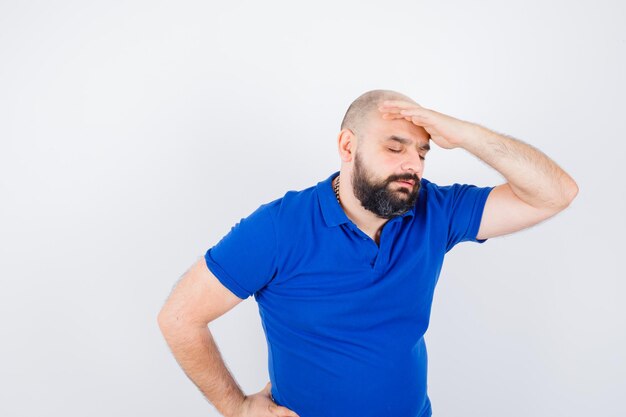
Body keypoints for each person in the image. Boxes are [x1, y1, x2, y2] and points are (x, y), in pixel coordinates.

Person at [157, 89, 578, 417]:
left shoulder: (434, 209)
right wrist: (236, 406)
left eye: (421, 152)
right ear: (347, 146)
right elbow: (180, 317)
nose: (412, 164)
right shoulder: (278, 228)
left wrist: (468, 135)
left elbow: (554, 194)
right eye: (395, 148)